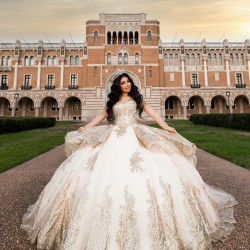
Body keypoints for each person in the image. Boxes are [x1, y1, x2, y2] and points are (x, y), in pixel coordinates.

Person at [21, 72, 237, 250]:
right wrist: (86, 127)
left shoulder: (137, 100)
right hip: (113, 137)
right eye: (122, 82)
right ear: (118, 86)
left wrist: (165, 126)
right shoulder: (113, 101)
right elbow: (101, 116)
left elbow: (153, 113)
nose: (126, 84)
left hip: (134, 136)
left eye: (128, 81)